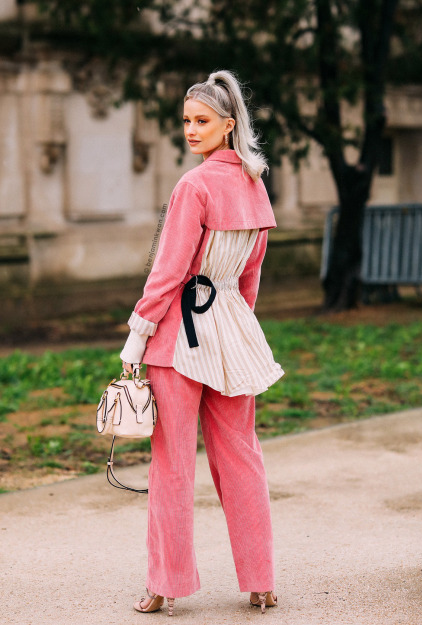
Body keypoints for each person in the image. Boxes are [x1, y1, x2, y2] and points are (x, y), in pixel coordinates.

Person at [120, 69, 284, 616]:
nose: (191, 130)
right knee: (243, 458)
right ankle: (261, 581)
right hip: (233, 331)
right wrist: (236, 328)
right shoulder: (256, 184)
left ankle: (163, 587)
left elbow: (167, 273)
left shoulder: (194, 185)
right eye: (186, 121)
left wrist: (138, 334)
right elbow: (251, 277)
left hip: (178, 339)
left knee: (171, 465)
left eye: (202, 121)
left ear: (228, 125)